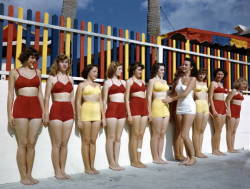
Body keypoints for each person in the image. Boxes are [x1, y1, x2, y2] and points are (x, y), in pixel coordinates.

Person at [7, 47, 44, 185]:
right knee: (22, 144)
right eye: (32, 57)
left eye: (36, 58)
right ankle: (23, 176)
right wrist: (9, 114)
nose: (34, 60)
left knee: (31, 144)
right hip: (21, 106)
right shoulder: (14, 72)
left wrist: (44, 111)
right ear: (25, 57)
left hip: (35, 108)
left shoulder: (38, 72)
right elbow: (11, 94)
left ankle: (30, 174)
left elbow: (40, 93)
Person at [44, 54, 74, 179]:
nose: (64, 64)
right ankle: (57, 171)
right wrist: (45, 113)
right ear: (58, 63)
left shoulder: (70, 79)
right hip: (56, 110)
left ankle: (63, 169)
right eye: (62, 62)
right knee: (56, 144)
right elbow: (46, 97)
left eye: (66, 62)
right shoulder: (52, 78)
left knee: (64, 144)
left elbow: (72, 98)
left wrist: (74, 114)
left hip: (68, 111)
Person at [75, 64, 106, 174]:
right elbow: (78, 102)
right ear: (88, 72)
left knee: (93, 141)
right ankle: (87, 167)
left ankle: (92, 166)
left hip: (97, 114)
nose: (96, 74)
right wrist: (78, 119)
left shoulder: (98, 86)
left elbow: (101, 102)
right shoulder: (81, 85)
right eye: (94, 71)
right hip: (85, 114)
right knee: (86, 141)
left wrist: (103, 117)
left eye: (97, 72)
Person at [171, 57, 197, 166]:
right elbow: (173, 93)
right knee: (182, 134)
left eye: (187, 65)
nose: (184, 66)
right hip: (179, 107)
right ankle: (188, 157)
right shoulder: (179, 79)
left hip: (189, 107)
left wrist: (171, 99)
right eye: (183, 64)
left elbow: (185, 93)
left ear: (191, 67)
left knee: (185, 134)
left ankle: (193, 158)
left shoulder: (193, 79)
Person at [102, 61, 126, 171]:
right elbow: (103, 101)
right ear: (114, 69)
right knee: (110, 138)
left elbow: (126, 99)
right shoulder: (108, 82)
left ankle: (117, 162)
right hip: (112, 109)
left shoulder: (124, 83)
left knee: (118, 138)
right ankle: (111, 163)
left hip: (122, 110)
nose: (121, 71)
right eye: (120, 69)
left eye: (121, 69)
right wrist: (103, 116)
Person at [125, 62, 148, 168]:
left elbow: (146, 97)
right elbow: (126, 99)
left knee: (141, 135)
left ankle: (139, 158)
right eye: (139, 69)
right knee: (134, 135)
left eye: (141, 70)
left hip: (143, 107)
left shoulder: (143, 81)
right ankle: (134, 160)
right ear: (133, 70)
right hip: (135, 107)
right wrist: (129, 114)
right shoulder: (129, 81)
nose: (140, 72)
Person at [147, 63, 170, 164]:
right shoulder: (152, 81)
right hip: (156, 106)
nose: (163, 71)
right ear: (156, 70)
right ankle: (155, 157)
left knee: (162, 133)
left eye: (164, 70)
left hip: (166, 107)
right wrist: (149, 112)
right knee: (156, 134)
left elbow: (167, 94)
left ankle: (160, 156)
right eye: (161, 70)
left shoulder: (164, 81)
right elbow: (148, 97)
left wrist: (169, 99)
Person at [209, 68, 228, 155]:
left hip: (222, 106)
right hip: (216, 106)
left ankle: (218, 149)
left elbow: (223, 98)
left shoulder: (221, 84)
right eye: (218, 74)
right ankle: (214, 150)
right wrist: (213, 110)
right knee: (217, 130)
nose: (220, 76)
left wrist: (226, 107)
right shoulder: (213, 83)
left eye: (222, 74)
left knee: (220, 130)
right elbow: (210, 98)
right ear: (215, 74)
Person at [225, 78, 247, 153]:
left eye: (245, 84)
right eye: (243, 84)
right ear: (239, 84)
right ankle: (229, 148)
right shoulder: (234, 91)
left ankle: (232, 147)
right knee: (229, 131)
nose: (245, 85)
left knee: (234, 131)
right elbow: (227, 100)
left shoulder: (240, 92)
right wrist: (228, 111)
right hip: (232, 111)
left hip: (238, 112)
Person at [192, 69, 209, 158]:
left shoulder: (205, 84)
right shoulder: (194, 82)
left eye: (203, 74)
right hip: (197, 104)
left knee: (202, 130)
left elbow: (206, 95)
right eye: (200, 74)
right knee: (196, 130)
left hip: (205, 106)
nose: (202, 76)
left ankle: (200, 150)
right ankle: (196, 151)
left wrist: (208, 107)